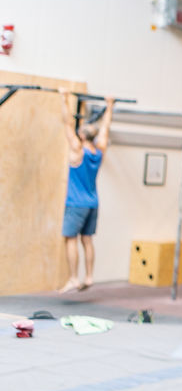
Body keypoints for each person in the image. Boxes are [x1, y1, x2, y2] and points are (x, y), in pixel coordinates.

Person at [58, 89, 114, 292]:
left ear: (81, 135)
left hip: (76, 203)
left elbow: (66, 124)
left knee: (70, 239)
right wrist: (110, 106)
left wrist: (63, 98)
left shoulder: (77, 149)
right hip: (92, 203)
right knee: (87, 239)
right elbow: (105, 129)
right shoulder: (99, 152)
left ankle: (74, 278)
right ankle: (89, 276)